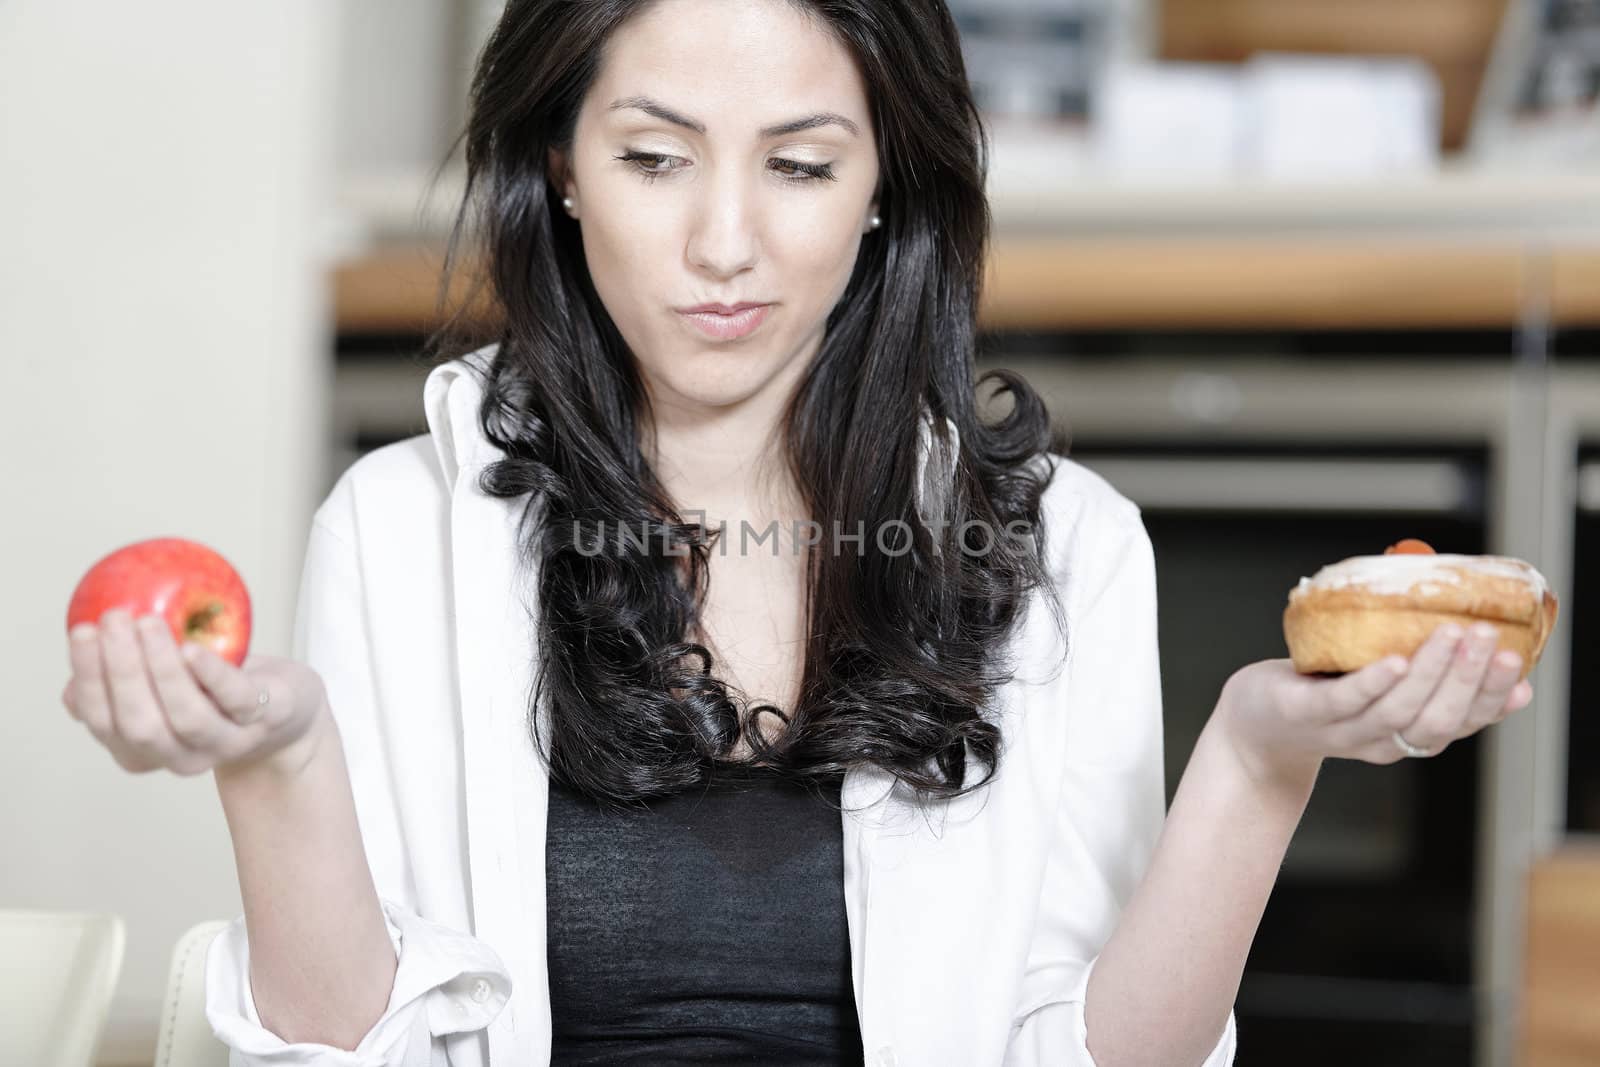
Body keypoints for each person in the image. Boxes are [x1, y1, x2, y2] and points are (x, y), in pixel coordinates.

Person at [59, 0, 1537, 1064]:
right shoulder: (398, 530)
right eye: (653, 158)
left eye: (802, 163)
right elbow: (347, 1055)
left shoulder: (1070, 547)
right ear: (560, 166)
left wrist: (1261, 761)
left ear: (887, 181)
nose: (723, 244)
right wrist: (278, 764)